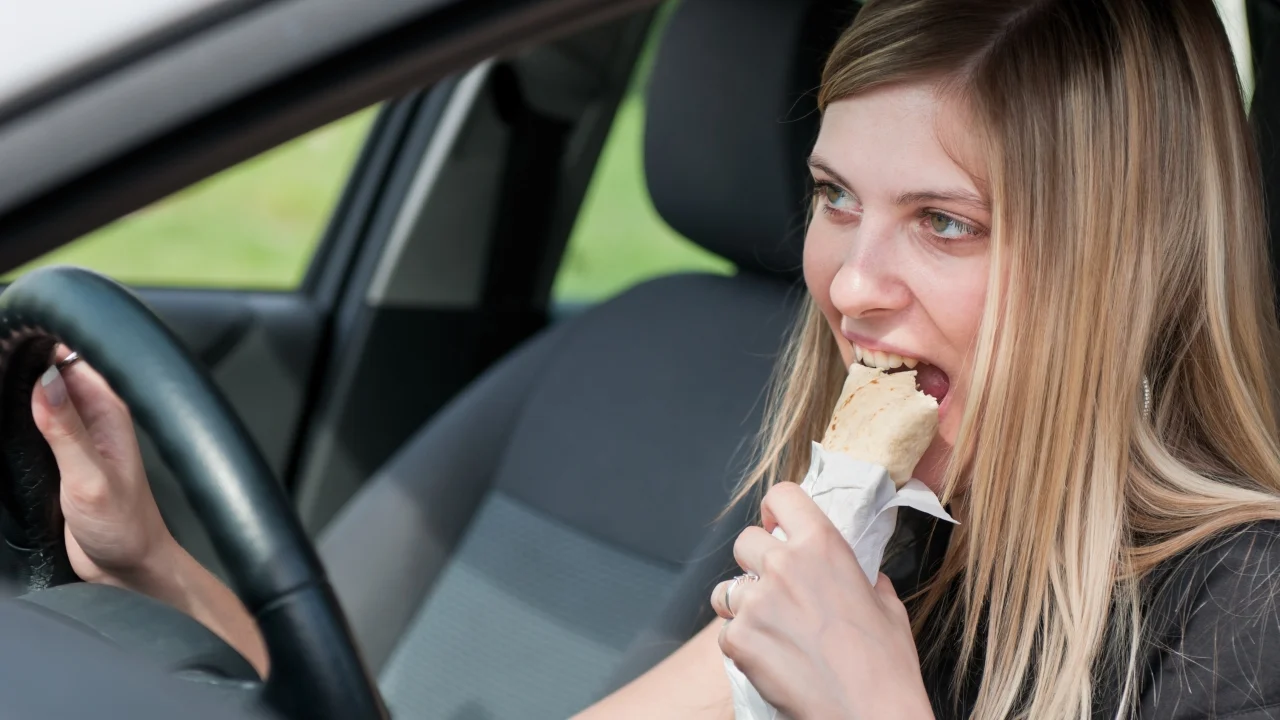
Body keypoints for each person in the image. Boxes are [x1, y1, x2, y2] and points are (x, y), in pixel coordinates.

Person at [28, 0, 1280, 716]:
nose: (850, 284)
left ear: (1117, 267)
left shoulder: (1242, 618)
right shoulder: (876, 532)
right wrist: (160, 575)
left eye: (944, 223)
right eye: (834, 197)